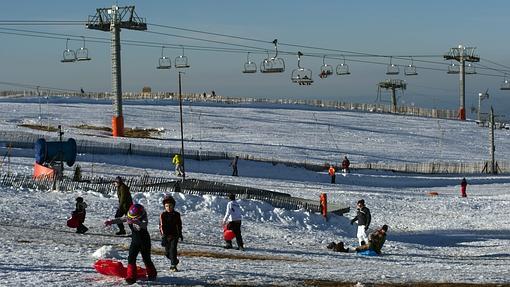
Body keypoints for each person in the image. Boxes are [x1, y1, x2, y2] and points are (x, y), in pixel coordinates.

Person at [105, 204, 157, 284]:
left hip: (145, 242)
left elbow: (144, 225)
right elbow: (121, 219)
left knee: (146, 259)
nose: (131, 218)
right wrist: (111, 221)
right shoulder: (129, 217)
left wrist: (137, 222)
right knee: (131, 258)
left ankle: (152, 274)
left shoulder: (144, 219)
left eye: (134, 217)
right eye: (131, 216)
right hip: (135, 241)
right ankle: (131, 277)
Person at [159, 195, 183, 272]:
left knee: (173, 250)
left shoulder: (176, 215)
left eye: (170, 206)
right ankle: (175, 260)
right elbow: (161, 226)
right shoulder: (163, 215)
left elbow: (179, 225)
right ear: (164, 207)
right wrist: (163, 236)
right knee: (167, 253)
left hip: (174, 235)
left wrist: (180, 234)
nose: (168, 207)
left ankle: (173, 266)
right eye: (166, 206)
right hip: (166, 236)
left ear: (173, 206)